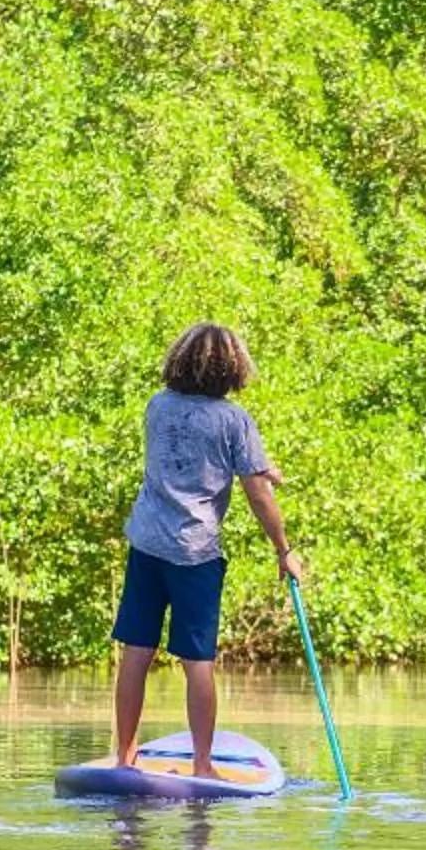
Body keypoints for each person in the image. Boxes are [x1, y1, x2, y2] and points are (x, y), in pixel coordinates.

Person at [113, 323, 297, 777]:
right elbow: (257, 494)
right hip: (195, 553)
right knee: (197, 662)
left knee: (137, 651)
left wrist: (259, 464)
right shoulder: (235, 420)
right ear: (231, 369)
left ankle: (125, 758)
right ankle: (201, 765)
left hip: (147, 543)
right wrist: (283, 549)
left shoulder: (157, 407)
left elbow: (187, 451)